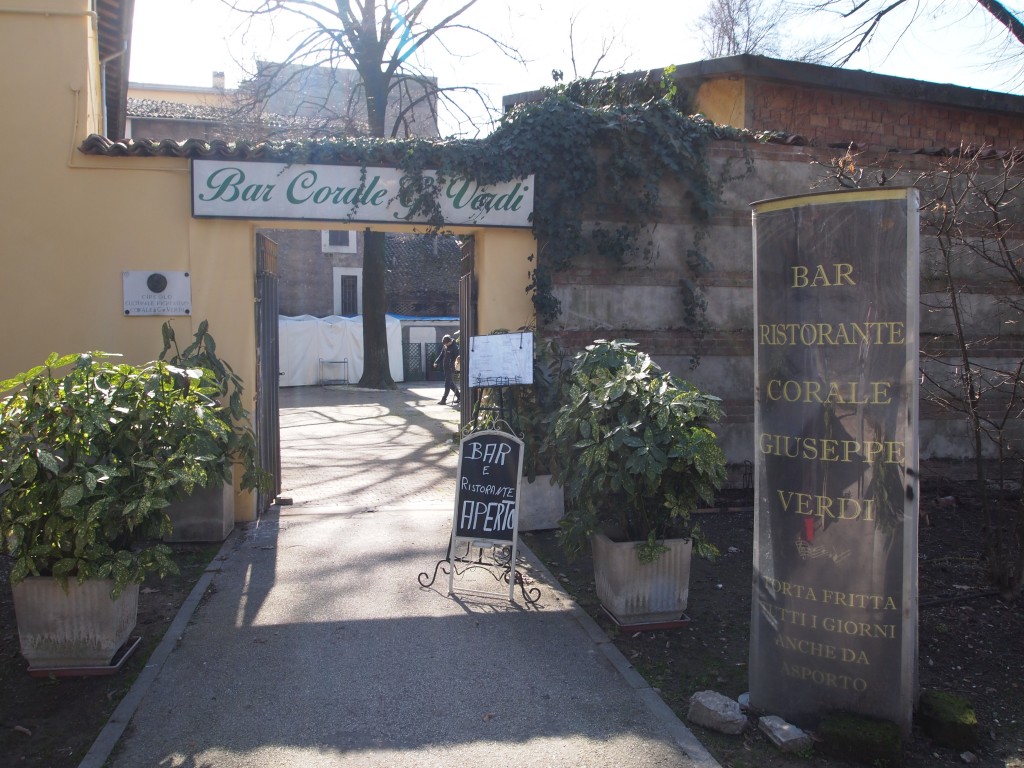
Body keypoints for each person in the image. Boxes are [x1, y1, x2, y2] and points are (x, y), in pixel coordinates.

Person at [433, 334, 461, 405]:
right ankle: (460, 397)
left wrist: (453, 365)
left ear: (450, 341)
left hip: (451, 368)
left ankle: (444, 399)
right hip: (445, 367)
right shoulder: (445, 346)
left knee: (447, 383)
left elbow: (458, 358)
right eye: (444, 344)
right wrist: (436, 362)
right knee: (450, 384)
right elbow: (441, 355)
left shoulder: (455, 347)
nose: (446, 345)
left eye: (446, 343)